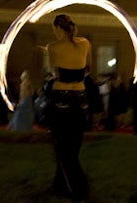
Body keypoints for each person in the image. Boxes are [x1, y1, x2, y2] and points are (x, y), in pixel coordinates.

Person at [46, 14, 91, 201]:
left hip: (61, 99)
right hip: (81, 99)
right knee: (74, 144)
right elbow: (87, 68)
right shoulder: (85, 43)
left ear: (58, 28)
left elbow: (52, 71)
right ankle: (60, 185)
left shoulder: (53, 47)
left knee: (62, 145)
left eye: (53, 29)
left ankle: (79, 187)